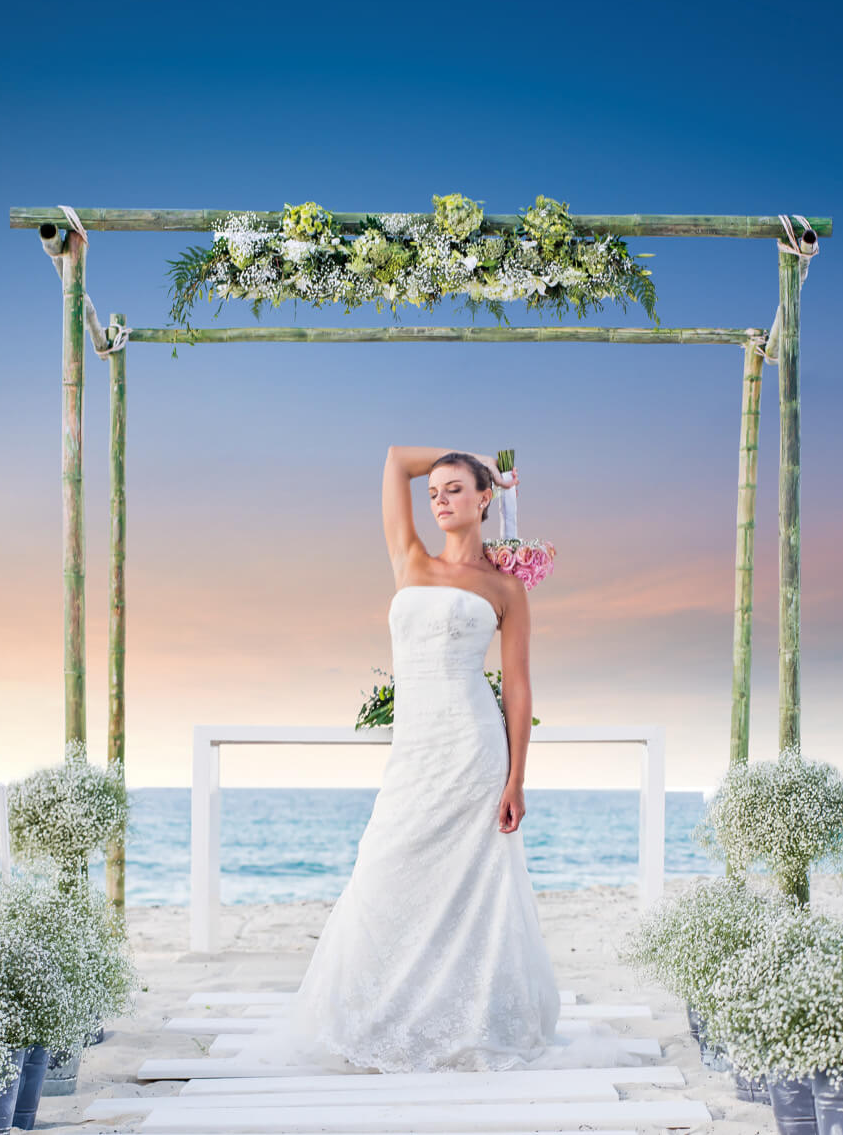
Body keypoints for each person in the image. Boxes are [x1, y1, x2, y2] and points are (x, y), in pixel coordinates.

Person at [229, 445, 626, 1074]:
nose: (439, 500)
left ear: (483, 501)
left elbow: (518, 685)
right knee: (386, 870)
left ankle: (472, 1021)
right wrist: (472, 459)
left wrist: (518, 776)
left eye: (455, 490)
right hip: (415, 752)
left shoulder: (505, 589)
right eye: (435, 492)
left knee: (474, 890)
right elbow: (391, 461)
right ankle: (382, 1017)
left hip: (474, 749)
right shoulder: (409, 558)